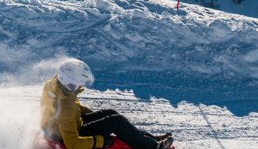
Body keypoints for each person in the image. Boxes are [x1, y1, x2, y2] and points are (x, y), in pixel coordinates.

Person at [40, 58, 174, 149]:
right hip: (67, 135)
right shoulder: (65, 106)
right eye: (78, 84)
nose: (81, 87)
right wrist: (101, 141)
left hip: (62, 126)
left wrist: (93, 115)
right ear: (69, 82)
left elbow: (71, 108)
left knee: (110, 114)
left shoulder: (54, 85)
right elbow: (72, 144)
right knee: (116, 121)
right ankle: (153, 147)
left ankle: (147, 139)